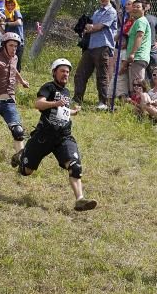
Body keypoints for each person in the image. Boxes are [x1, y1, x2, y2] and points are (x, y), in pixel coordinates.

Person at [10, 58, 98, 212]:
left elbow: (62, 111)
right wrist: (54, 103)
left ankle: (80, 199)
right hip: (43, 136)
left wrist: (73, 112)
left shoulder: (66, 92)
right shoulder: (48, 87)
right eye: (62, 71)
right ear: (54, 72)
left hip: (63, 137)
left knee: (75, 167)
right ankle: (21, 155)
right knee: (26, 171)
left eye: (68, 71)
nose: (66, 74)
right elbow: (38, 104)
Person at [73, 0, 117, 109]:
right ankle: (77, 99)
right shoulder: (97, 12)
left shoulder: (111, 11)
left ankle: (103, 102)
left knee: (101, 76)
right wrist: (83, 28)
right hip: (90, 47)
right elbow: (90, 28)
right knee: (80, 73)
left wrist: (88, 26)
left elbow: (100, 27)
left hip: (103, 46)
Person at [125, 0, 151, 96]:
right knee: (134, 83)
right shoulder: (137, 21)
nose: (135, 8)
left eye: (138, 7)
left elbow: (140, 36)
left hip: (138, 56)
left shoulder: (141, 21)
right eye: (134, 6)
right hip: (137, 57)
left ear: (144, 9)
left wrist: (133, 53)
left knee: (138, 84)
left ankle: (141, 107)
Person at [141, 0, 157, 79]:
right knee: (141, 76)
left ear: (149, 6)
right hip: (139, 50)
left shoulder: (153, 18)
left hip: (152, 49)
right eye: (142, 3)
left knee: (156, 73)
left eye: (146, 3)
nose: (144, 4)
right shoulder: (135, 18)